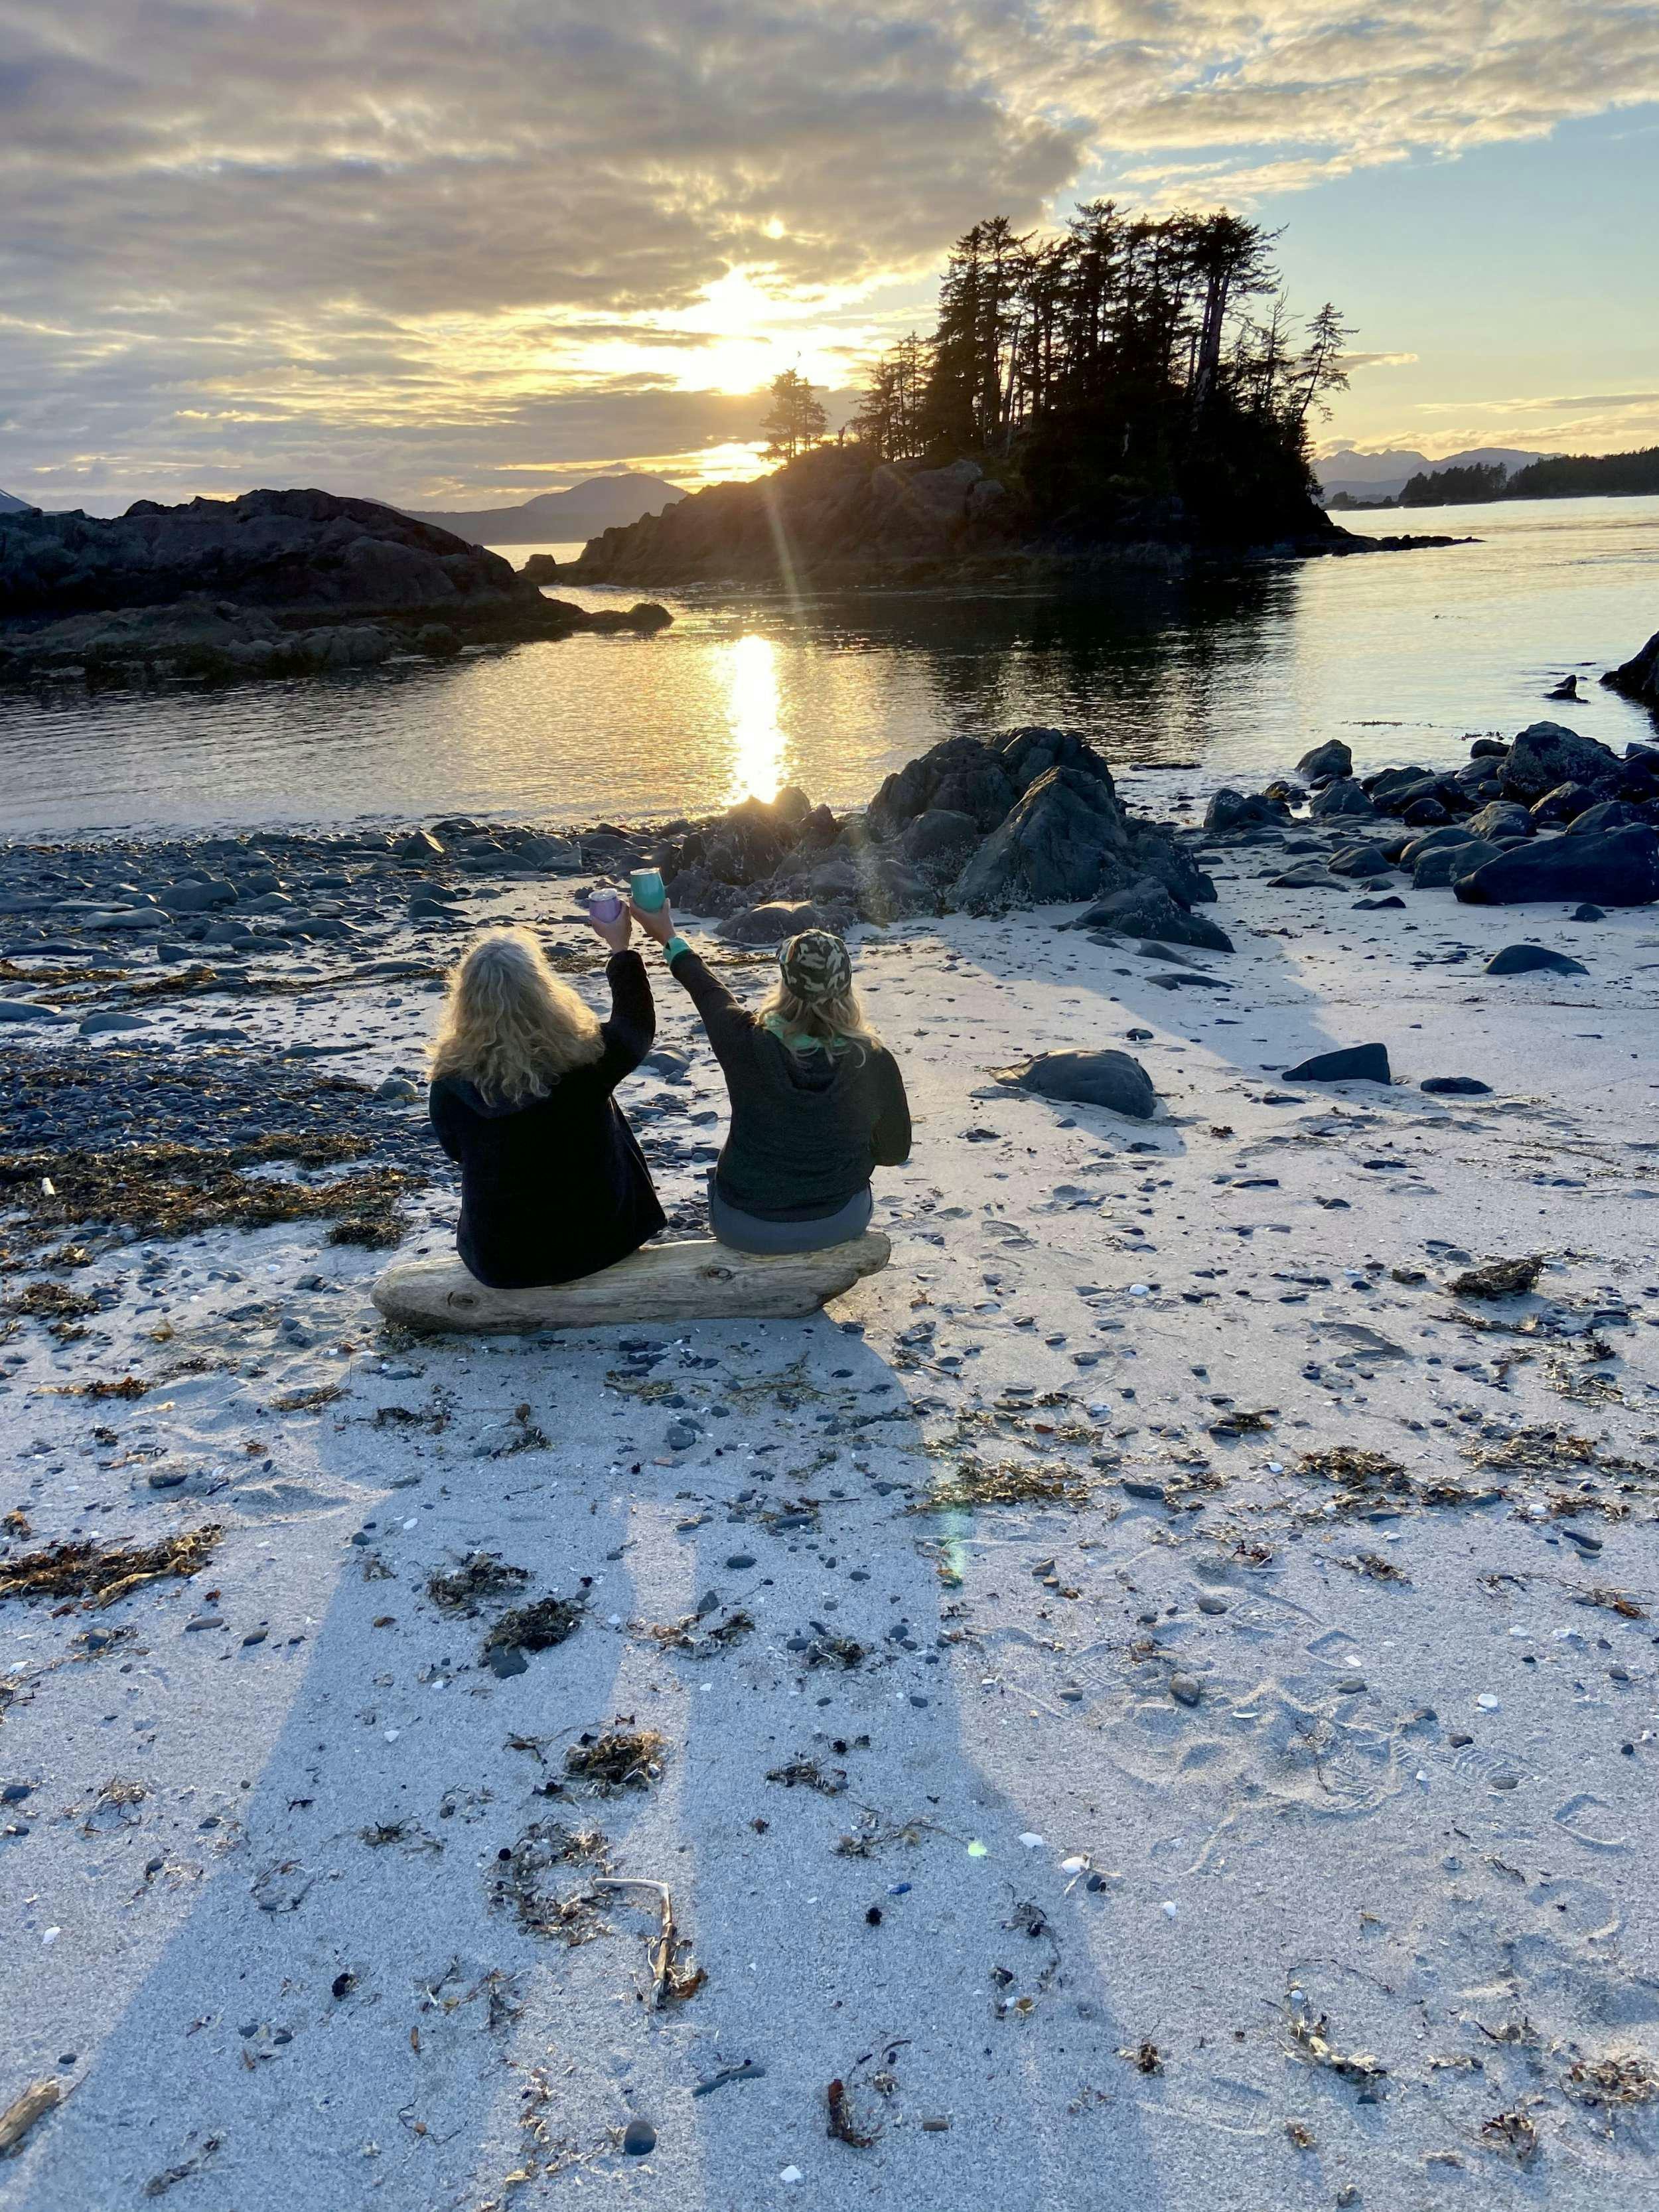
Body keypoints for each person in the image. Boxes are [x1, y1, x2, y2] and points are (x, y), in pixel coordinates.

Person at [630, 899, 910, 1253]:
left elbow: (707, 989)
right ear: (846, 987)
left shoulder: (745, 1040)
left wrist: (666, 934)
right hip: (838, 1222)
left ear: (785, 983)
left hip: (745, 1227)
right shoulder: (874, 1059)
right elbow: (894, 1153)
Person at [427, 913, 662, 1288]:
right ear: (543, 990)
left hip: (502, 1263)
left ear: (465, 1000)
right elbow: (635, 1025)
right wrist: (621, 949)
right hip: (601, 1246)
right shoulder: (585, 1062)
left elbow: (455, 1150)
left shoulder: (450, 1079)